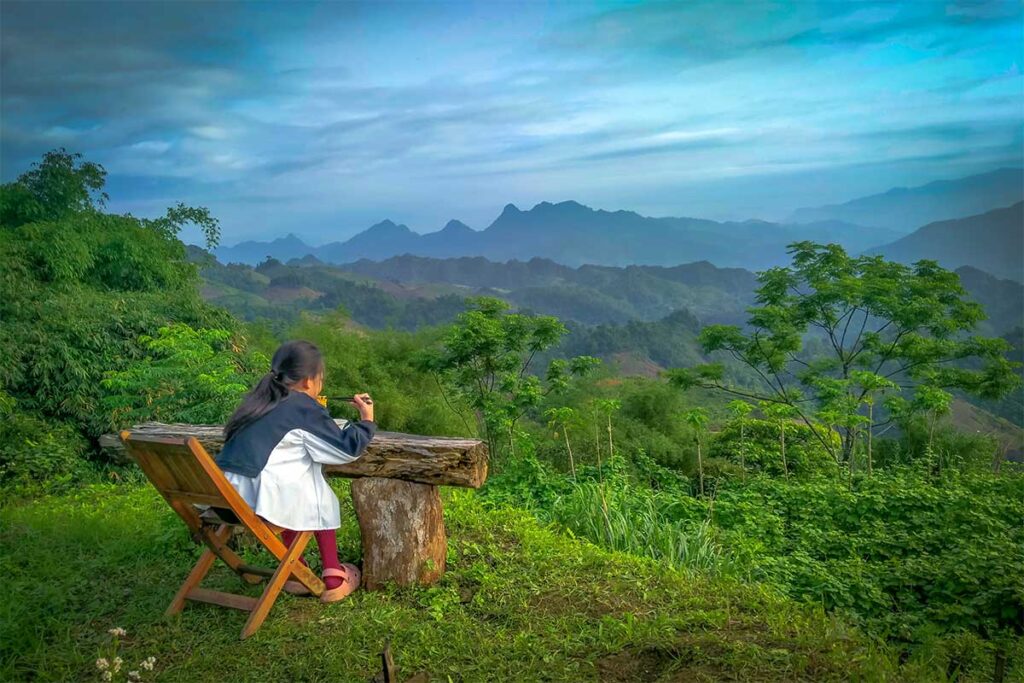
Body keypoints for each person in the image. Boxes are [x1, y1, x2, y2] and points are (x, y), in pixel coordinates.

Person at [216, 340, 376, 602]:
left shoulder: (256, 402)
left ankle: (295, 572)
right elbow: (346, 449)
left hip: (224, 499)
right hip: (260, 503)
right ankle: (334, 578)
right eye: (320, 379)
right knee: (313, 488)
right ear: (307, 382)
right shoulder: (302, 405)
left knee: (299, 476)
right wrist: (366, 421)